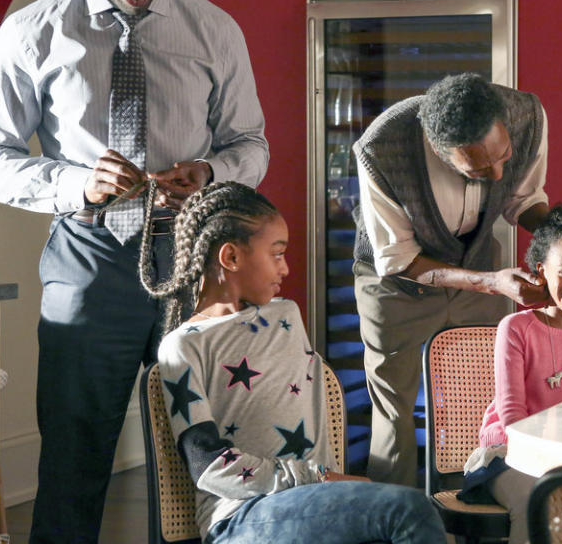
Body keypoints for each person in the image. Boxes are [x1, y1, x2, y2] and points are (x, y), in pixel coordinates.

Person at [0, 0, 268, 540]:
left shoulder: (215, 30)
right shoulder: (34, 31)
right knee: (74, 457)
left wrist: (212, 173)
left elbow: (252, 142)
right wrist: (74, 183)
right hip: (88, 260)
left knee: (208, 452)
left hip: (197, 262)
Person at [145, 181, 446, 544]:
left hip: (315, 505)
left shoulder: (286, 315)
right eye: (276, 254)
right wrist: (318, 477)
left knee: (398, 514)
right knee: (407, 509)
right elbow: (209, 466)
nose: (285, 269)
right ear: (232, 257)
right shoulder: (182, 346)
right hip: (241, 516)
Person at [353, 72, 550, 486]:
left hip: (478, 262)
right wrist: (492, 283)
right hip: (396, 282)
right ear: (440, 152)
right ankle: (395, 517)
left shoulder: (527, 116)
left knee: (483, 397)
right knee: (394, 410)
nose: (497, 174)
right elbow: (400, 258)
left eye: (503, 156)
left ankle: (477, 504)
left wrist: (561, 237)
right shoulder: (379, 148)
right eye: (478, 169)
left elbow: (522, 199)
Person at [458, 204, 562, 543]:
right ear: (541, 271)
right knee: (537, 502)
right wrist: (549, 459)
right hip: (507, 454)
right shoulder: (517, 328)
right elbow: (511, 415)